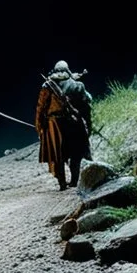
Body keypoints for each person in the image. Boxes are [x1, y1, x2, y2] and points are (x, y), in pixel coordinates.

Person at [35, 60, 92, 190]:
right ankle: (74, 181)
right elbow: (86, 109)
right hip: (75, 124)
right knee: (76, 154)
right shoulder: (78, 86)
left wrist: (40, 127)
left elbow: (40, 109)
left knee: (59, 155)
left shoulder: (47, 86)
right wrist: (88, 125)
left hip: (55, 127)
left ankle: (62, 183)